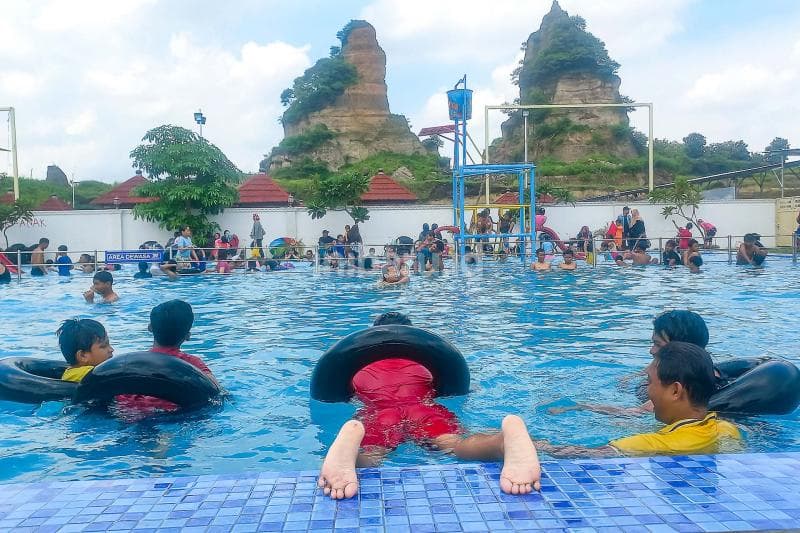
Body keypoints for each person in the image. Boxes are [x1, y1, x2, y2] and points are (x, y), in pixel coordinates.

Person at [318, 313, 541, 499]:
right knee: (455, 445)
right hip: (424, 409)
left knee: (374, 454)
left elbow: (342, 395)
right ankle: (501, 441)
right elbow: (456, 389)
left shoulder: (358, 369)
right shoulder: (425, 365)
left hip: (378, 411)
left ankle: (351, 452)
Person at [536, 342, 740, 457]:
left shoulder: (649, 444)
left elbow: (582, 454)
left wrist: (535, 444)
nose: (647, 390)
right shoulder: (727, 429)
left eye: (650, 382)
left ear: (675, 391)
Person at [550, 310, 712, 417]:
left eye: (658, 345)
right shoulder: (702, 376)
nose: (651, 350)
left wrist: (580, 406)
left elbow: (631, 413)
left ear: (679, 350)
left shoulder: (667, 396)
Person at [116, 300, 219, 413]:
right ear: (188, 336)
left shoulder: (130, 363)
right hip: (177, 417)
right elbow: (215, 391)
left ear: (150, 328)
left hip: (129, 413)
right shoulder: (192, 364)